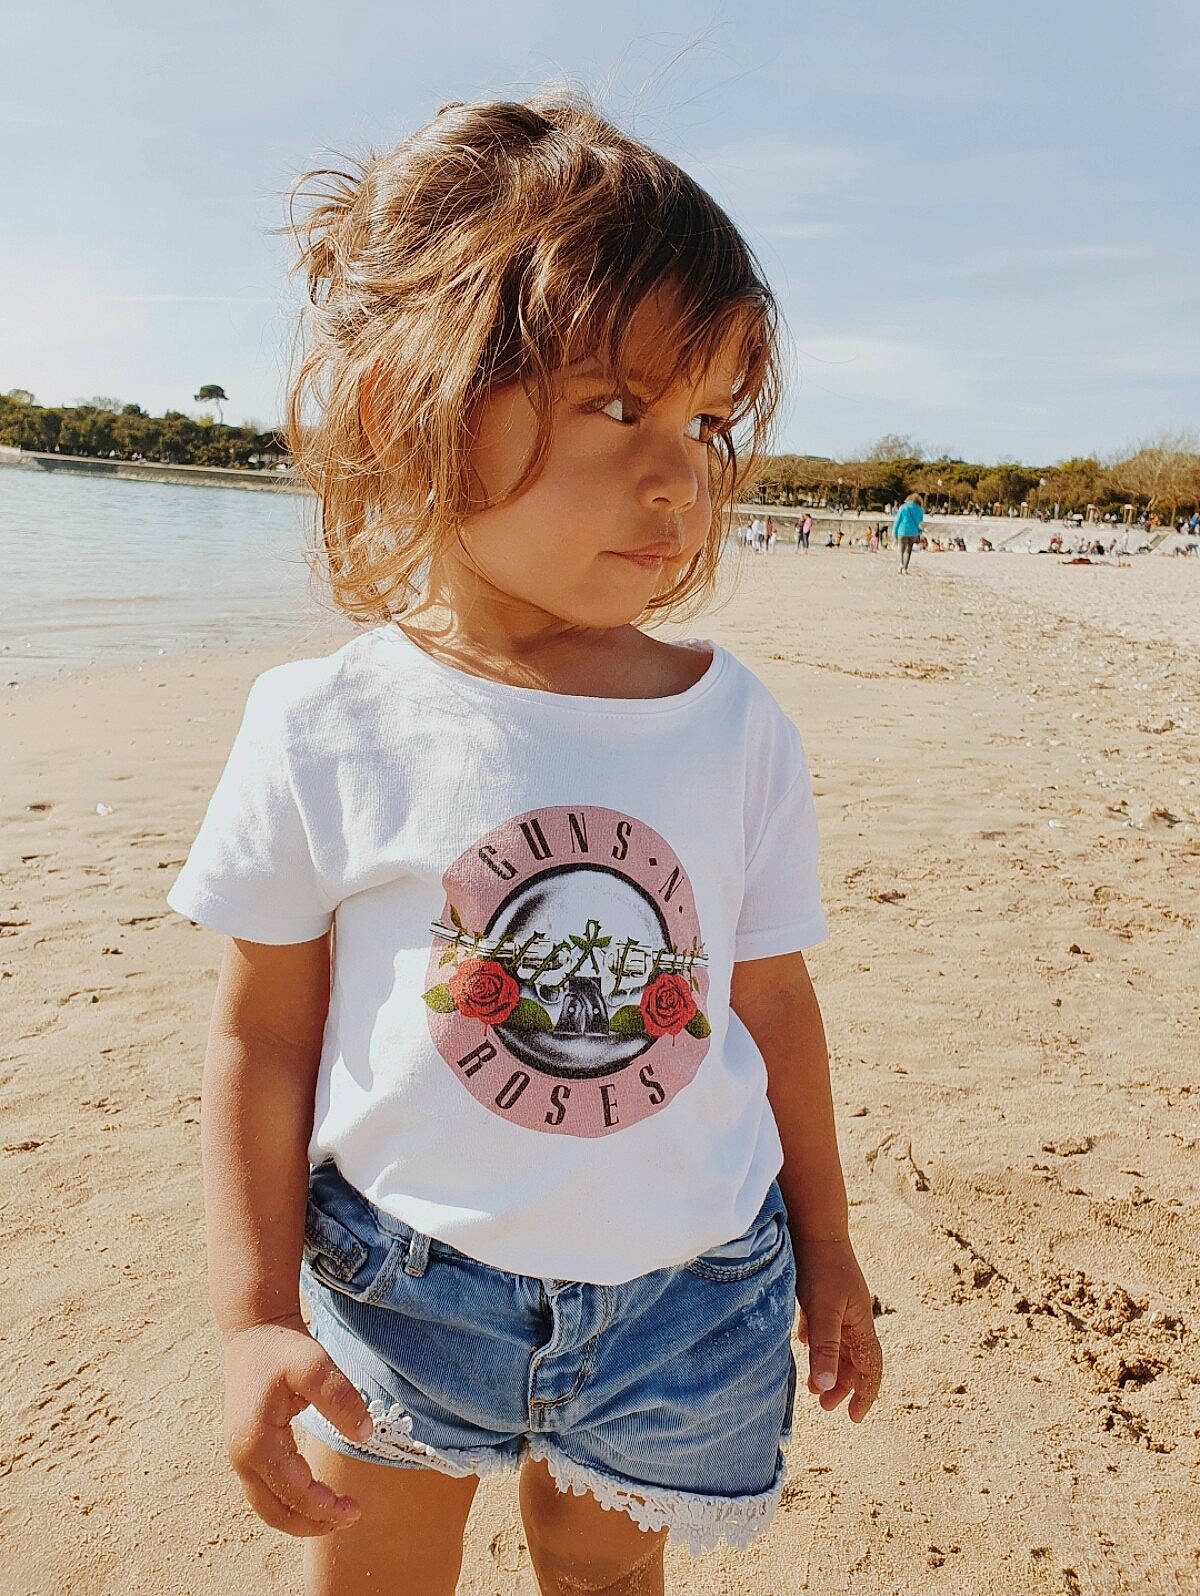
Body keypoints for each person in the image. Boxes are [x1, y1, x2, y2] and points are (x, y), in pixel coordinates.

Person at [165, 90, 882, 1596]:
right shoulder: (324, 724)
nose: (682, 474)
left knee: (608, 1575)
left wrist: (828, 1247)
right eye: (618, 407)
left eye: (705, 420)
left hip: (688, 1289)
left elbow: (773, 1004)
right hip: (405, 1279)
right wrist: (248, 1317)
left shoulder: (733, 724)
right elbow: (266, 1034)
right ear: (399, 412)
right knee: (379, 1576)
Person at [892, 491, 925, 573]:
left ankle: (901, 564)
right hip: (913, 533)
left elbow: (897, 521)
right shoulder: (920, 510)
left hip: (902, 531)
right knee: (908, 551)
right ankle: (905, 569)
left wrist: (894, 532)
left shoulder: (903, 507)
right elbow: (920, 522)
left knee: (901, 550)